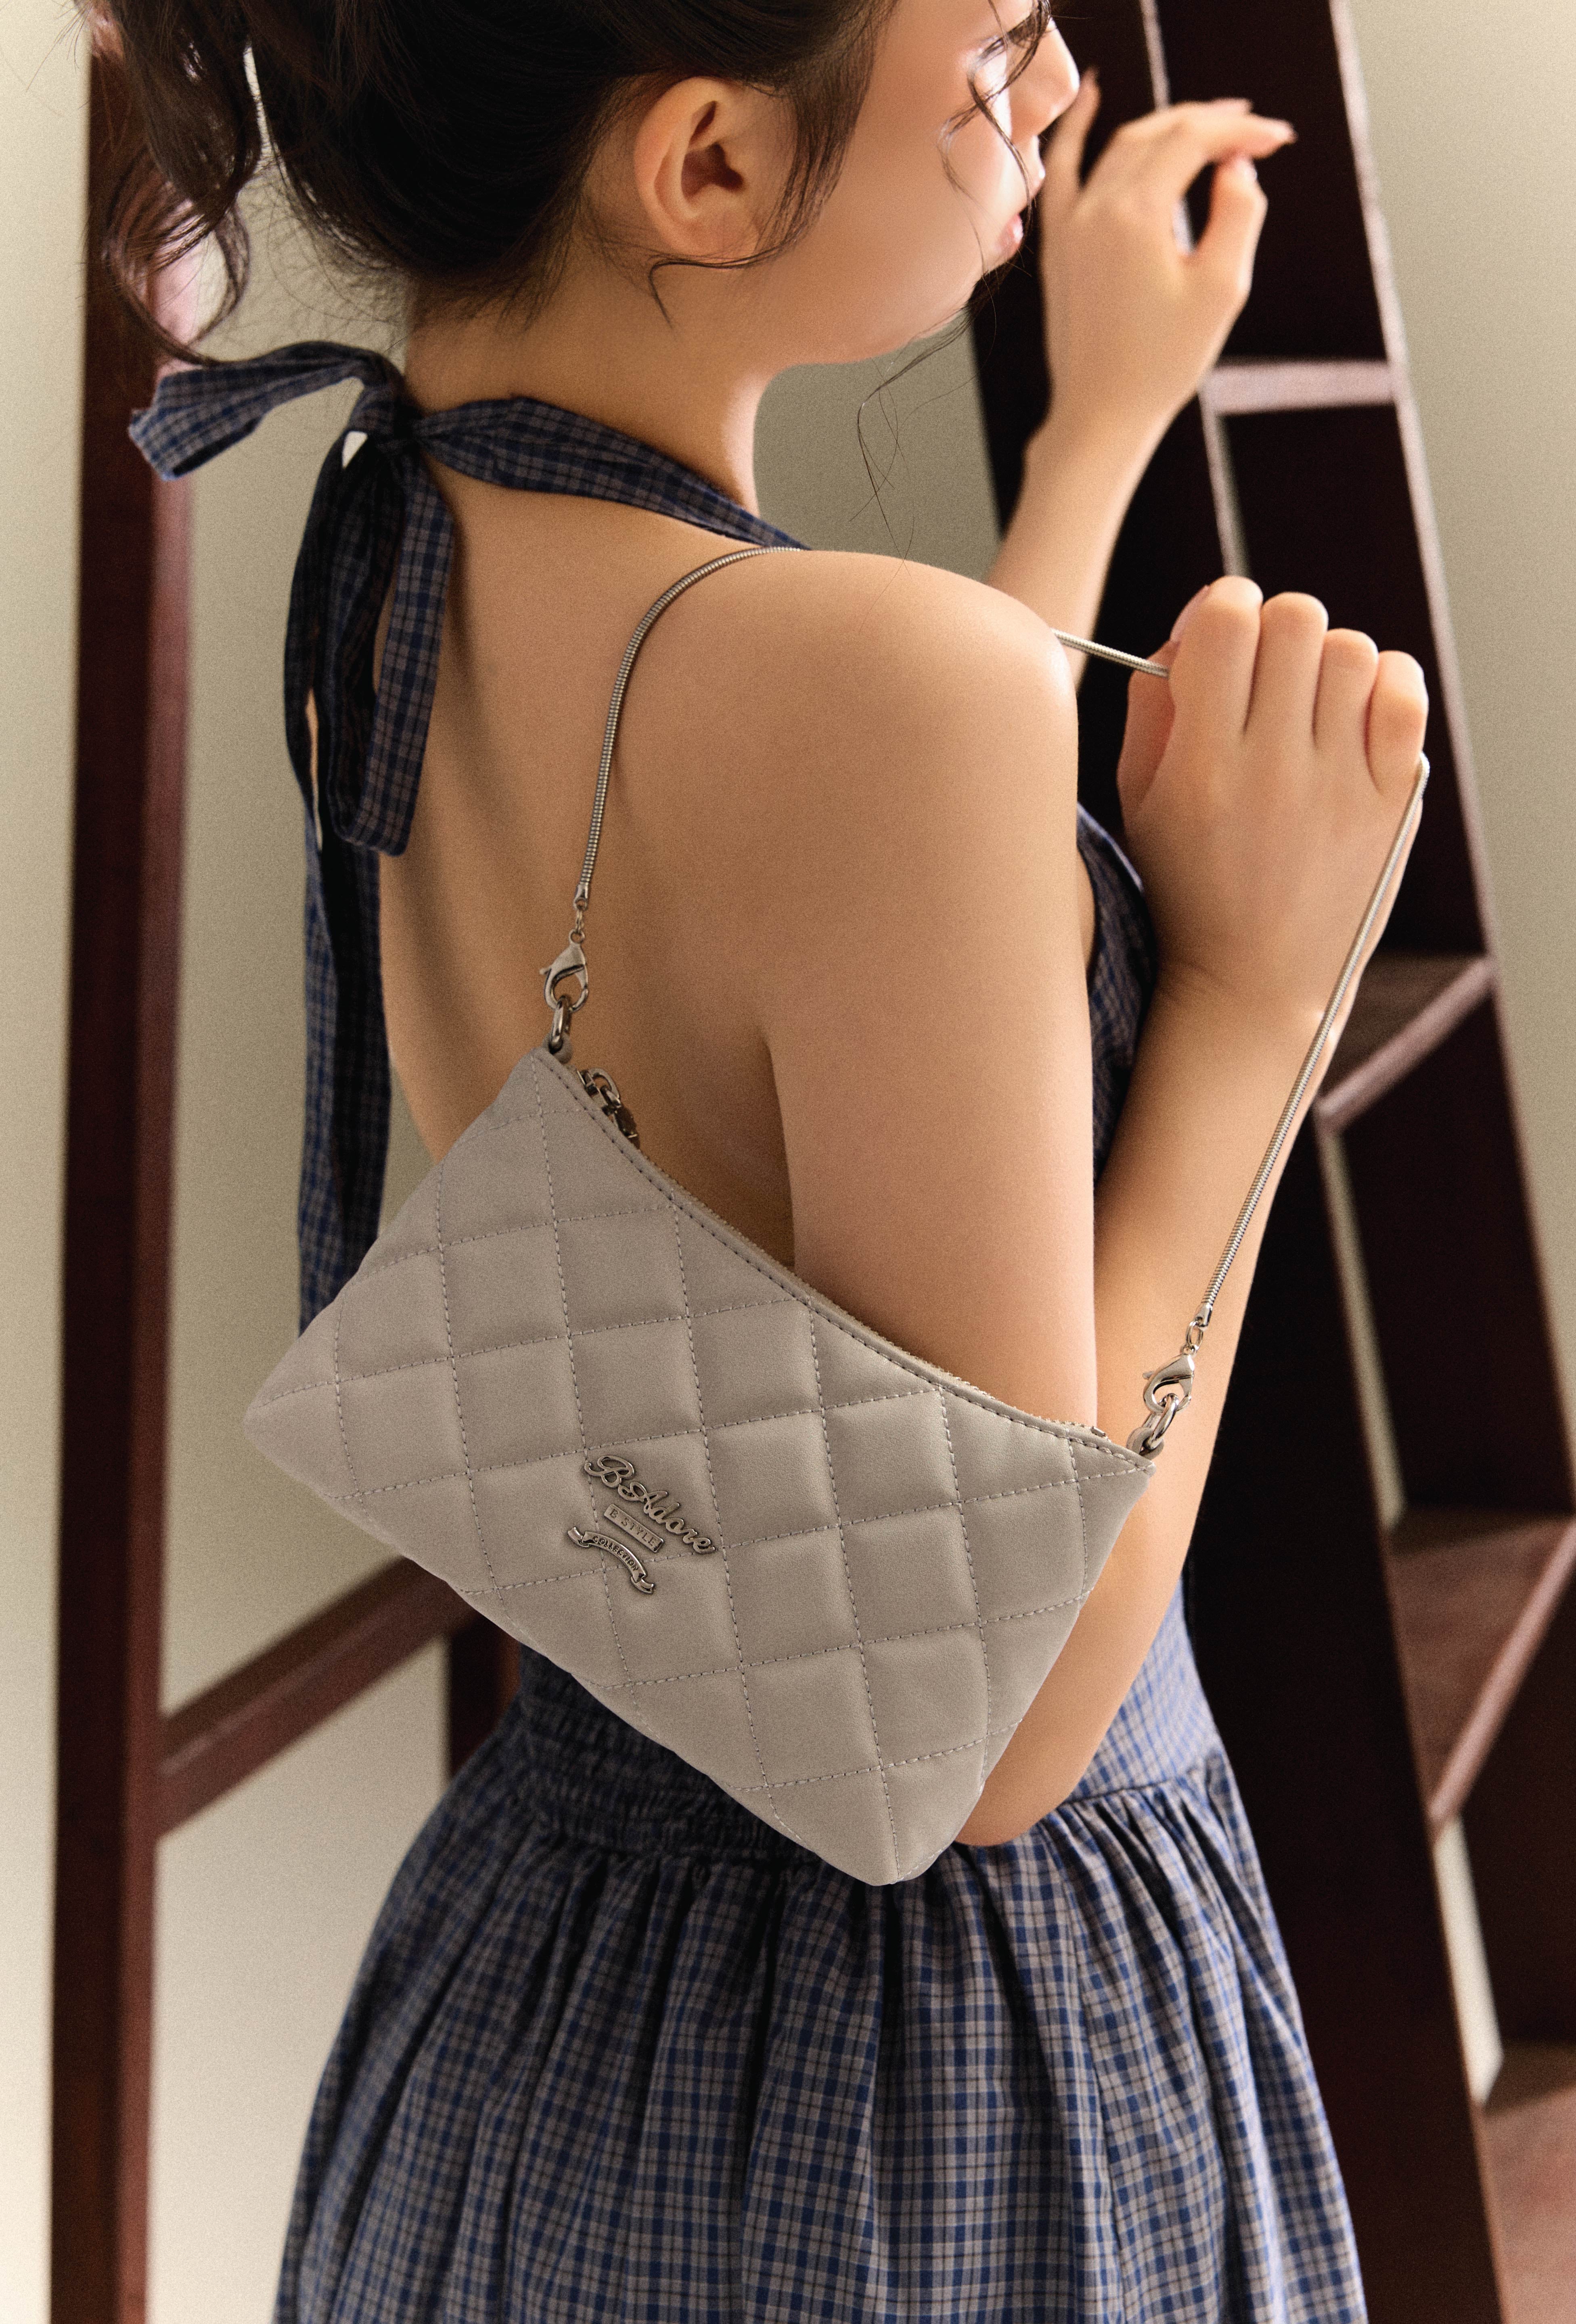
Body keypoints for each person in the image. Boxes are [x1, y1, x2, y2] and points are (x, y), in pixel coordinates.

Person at [102, 0, 1427, 2313]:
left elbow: (865, 915)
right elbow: (1003, 1730)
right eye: (1002, 43)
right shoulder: (869, 695)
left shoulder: (398, 549)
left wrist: (1094, 430)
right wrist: (1255, 993)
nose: (1051, 95)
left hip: (552, 1979)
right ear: (707, 168)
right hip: (935, 2071)